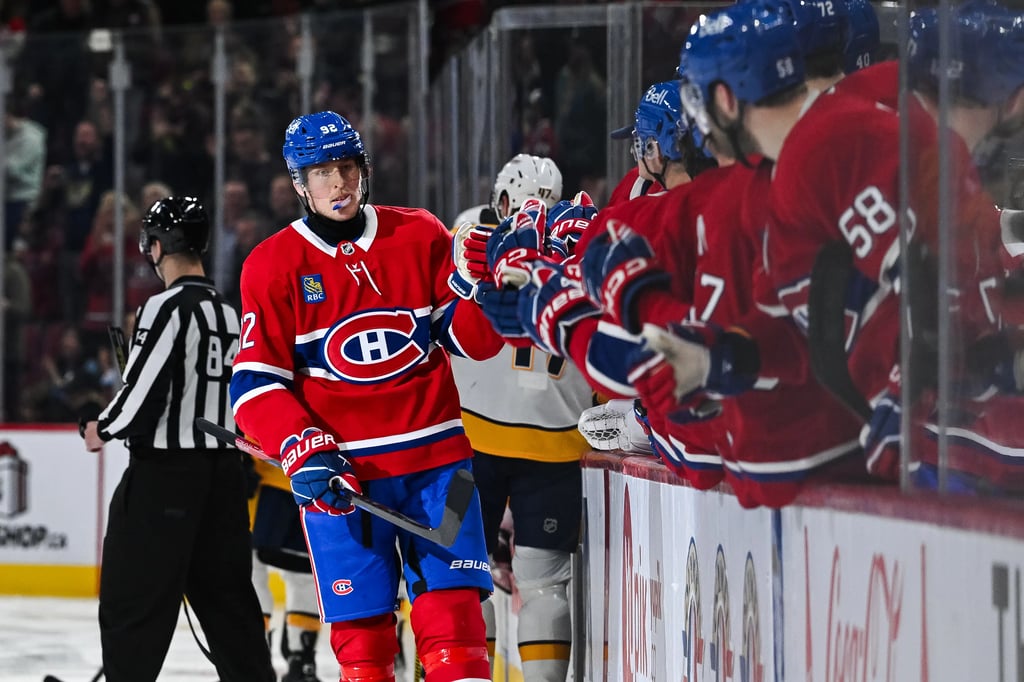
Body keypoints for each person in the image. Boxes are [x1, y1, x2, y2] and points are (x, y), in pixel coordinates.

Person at [229, 110, 503, 682]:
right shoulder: (272, 264)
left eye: (347, 167)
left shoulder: (420, 233)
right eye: (323, 172)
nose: (339, 183)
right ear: (299, 183)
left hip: (440, 467)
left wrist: (478, 288)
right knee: (364, 645)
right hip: (345, 475)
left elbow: (472, 344)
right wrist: (301, 444)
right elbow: (254, 383)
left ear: (365, 169)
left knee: (459, 633)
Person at [80, 196, 275, 682]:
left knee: (133, 601)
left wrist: (99, 428)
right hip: (224, 478)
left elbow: (140, 391)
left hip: (165, 478)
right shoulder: (232, 315)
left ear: (157, 245)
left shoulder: (165, 308)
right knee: (230, 606)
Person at [450, 155, 594, 681]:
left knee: (454, 576)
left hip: (466, 445)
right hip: (554, 446)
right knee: (545, 586)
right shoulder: (585, 243)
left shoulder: (467, 233)